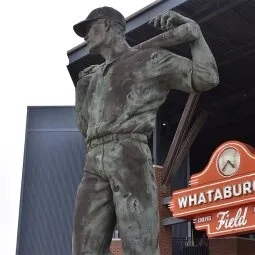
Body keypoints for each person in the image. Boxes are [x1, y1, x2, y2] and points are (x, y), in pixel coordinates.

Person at [72, 6, 219, 255]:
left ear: (108, 25)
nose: (85, 36)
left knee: (139, 247)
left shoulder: (150, 60)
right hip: (94, 159)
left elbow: (206, 78)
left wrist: (196, 35)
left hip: (130, 154)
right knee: (84, 249)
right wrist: (81, 92)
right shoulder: (96, 77)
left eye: (89, 28)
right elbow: (86, 129)